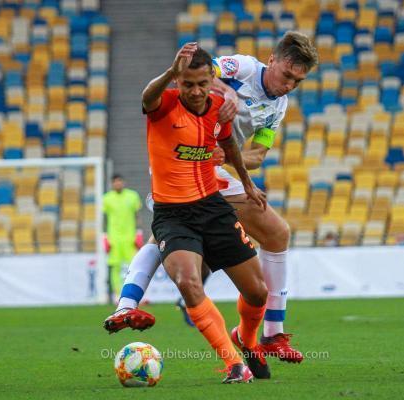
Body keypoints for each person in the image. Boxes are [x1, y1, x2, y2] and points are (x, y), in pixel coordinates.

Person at [106, 31, 319, 363]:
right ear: (272, 61)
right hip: (182, 158)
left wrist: (228, 157)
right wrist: (226, 93)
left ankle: (271, 333)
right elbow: (201, 74)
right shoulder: (244, 68)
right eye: (286, 75)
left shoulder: (278, 106)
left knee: (273, 234)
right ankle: (131, 304)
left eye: (297, 81)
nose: (289, 85)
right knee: (167, 234)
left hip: (215, 166)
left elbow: (257, 155)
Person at [125, 43, 271, 383]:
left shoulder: (218, 108)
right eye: (187, 84)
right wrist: (169, 72)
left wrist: (247, 183)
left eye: (202, 83)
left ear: (211, 81)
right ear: (178, 81)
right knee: (188, 282)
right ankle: (234, 364)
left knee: (257, 292)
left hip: (212, 207)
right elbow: (147, 97)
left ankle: (247, 340)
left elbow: (229, 144)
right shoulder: (164, 103)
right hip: (172, 214)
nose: (194, 91)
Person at [102, 174, 142, 302]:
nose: (118, 184)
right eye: (115, 182)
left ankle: (137, 294)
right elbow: (104, 218)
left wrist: (139, 233)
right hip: (114, 238)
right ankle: (117, 295)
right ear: (112, 184)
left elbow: (137, 215)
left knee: (135, 266)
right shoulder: (106, 198)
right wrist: (105, 236)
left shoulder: (133, 196)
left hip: (130, 237)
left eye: (119, 181)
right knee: (115, 267)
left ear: (123, 182)